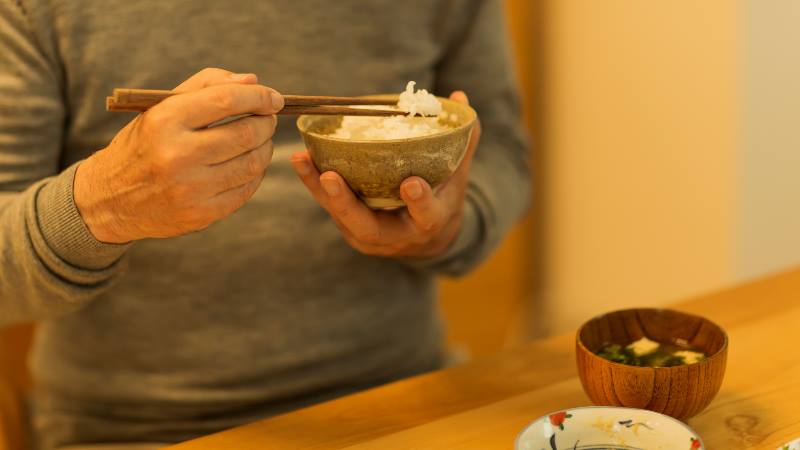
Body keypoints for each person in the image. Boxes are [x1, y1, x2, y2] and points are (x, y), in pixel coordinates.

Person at [0, 0, 530, 448]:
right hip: (133, 427)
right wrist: (100, 206)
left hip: (400, 396)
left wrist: (450, 224)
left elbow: (501, 147)